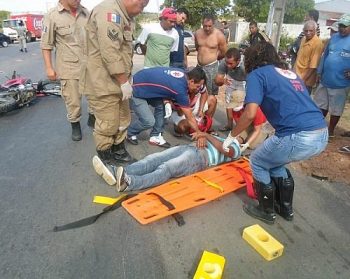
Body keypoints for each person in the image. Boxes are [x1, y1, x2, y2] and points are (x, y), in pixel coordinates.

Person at [220, 41, 328, 224]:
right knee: (275, 163)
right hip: (321, 133)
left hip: (297, 135)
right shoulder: (290, 73)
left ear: (252, 58)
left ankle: (266, 211)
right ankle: (286, 209)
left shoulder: (257, 75)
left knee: (258, 161)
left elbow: (250, 113)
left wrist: (231, 136)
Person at [80, 0, 149, 164]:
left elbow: (124, 51)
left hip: (118, 81)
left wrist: (125, 81)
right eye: (142, 5)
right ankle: (106, 158)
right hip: (102, 82)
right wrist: (124, 82)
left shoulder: (125, 16)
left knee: (123, 119)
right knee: (108, 124)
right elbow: (110, 52)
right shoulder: (109, 13)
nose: (141, 10)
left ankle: (118, 150)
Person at [92, 132, 241, 191]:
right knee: (153, 159)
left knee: (166, 168)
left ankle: (129, 182)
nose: (237, 135)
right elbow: (205, 137)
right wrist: (203, 136)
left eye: (240, 136)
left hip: (201, 158)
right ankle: (115, 173)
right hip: (188, 148)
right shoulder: (223, 137)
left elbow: (225, 150)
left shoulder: (236, 147)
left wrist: (206, 135)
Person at [41, 0, 94, 141]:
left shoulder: (85, 12)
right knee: (73, 101)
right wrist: (49, 68)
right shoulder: (52, 16)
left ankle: (92, 116)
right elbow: (46, 45)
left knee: (94, 96)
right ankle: (75, 124)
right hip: (68, 67)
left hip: (90, 65)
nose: (78, 0)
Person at [127, 66, 207, 148]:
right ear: (191, 81)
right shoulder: (180, 89)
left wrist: (167, 101)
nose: (197, 89)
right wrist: (199, 133)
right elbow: (189, 116)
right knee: (149, 121)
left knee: (162, 107)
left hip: (147, 85)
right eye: (197, 86)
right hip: (136, 89)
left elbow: (165, 84)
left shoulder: (183, 74)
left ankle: (155, 136)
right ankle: (129, 132)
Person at [313, 14, 350, 138]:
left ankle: (331, 131)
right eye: (340, 25)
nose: (341, 28)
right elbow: (325, 56)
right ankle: (317, 127)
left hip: (341, 83)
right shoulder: (333, 38)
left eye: (344, 26)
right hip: (325, 80)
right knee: (320, 105)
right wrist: (319, 72)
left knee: (336, 109)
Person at [195, 14, 227, 118]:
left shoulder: (219, 36)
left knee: (210, 95)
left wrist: (213, 58)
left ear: (213, 24)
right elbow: (197, 47)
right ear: (202, 24)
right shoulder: (197, 33)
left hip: (212, 67)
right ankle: (197, 116)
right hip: (199, 67)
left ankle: (207, 121)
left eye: (210, 26)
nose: (207, 28)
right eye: (205, 26)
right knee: (197, 91)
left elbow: (224, 52)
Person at [215, 47, 246, 131]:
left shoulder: (245, 65)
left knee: (240, 106)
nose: (228, 65)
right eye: (227, 62)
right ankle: (229, 125)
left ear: (238, 61)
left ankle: (242, 127)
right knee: (229, 103)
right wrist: (223, 80)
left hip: (244, 81)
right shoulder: (224, 63)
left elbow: (252, 80)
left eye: (231, 63)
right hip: (230, 79)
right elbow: (217, 81)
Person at [294, 20, 323, 94]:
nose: (308, 33)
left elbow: (313, 66)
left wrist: (303, 80)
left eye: (311, 31)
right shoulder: (304, 38)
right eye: (306, 31)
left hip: (305, 81)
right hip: (297, 76)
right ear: (303, 30)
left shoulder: (317, 43)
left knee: (302, 101)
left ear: (315, 31)